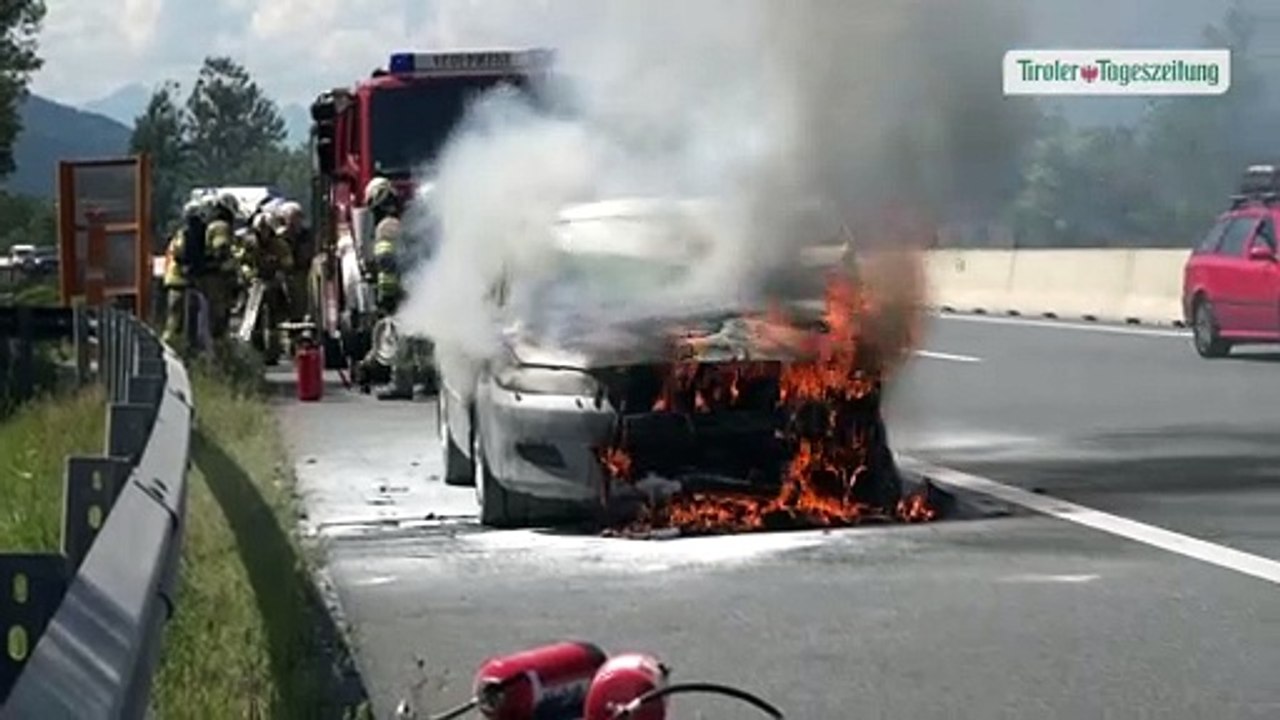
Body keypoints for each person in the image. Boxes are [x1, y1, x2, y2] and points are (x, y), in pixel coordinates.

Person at [357, 176, 419, 400]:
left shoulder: (385, 227)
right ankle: (430, 380)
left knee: (397, 334)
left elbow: (386, 262)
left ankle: (401, 384)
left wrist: (386, 295)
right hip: (419, 284)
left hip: (402, 288)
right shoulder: (405, 222)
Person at [161, 200, 205, 347]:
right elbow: (183, 254)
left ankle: (172, 346)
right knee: (183, 318)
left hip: (175, 280)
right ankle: (177, 347)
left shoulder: (180, 233)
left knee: (176, 318)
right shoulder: (188, 234)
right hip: (182, 280)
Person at [197, 192, 241, 340]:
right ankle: (219, 347)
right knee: (219, 313)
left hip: (210, 275)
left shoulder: (211, 223)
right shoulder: (221, 226)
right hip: (217, 277)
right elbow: (220, 248)